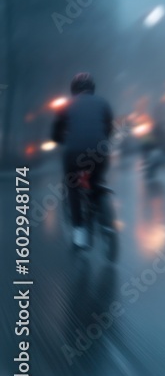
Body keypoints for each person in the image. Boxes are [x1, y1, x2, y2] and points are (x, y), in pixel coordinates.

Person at [51, 73, 115, 249]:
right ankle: (105, 220)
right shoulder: (103, 103)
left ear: (73, 89)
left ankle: (79, 230)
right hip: (100, 152)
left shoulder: (65, 106)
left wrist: (63, 140)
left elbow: (55, 135)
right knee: (96, 180)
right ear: (92, 88)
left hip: (74, 154)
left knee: (72, 185)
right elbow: (110, 129)